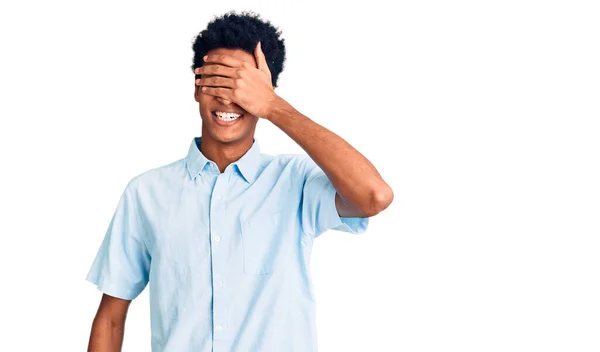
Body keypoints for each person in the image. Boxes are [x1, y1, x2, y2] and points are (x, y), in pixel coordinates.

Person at [86, 10, 393, 352]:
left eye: (242, 86)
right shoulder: (145, 193)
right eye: (216, 81)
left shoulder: (296, 183)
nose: (227, 97)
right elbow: (111, 318)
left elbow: (373, 195)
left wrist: (274, 107)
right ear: (196, 89)